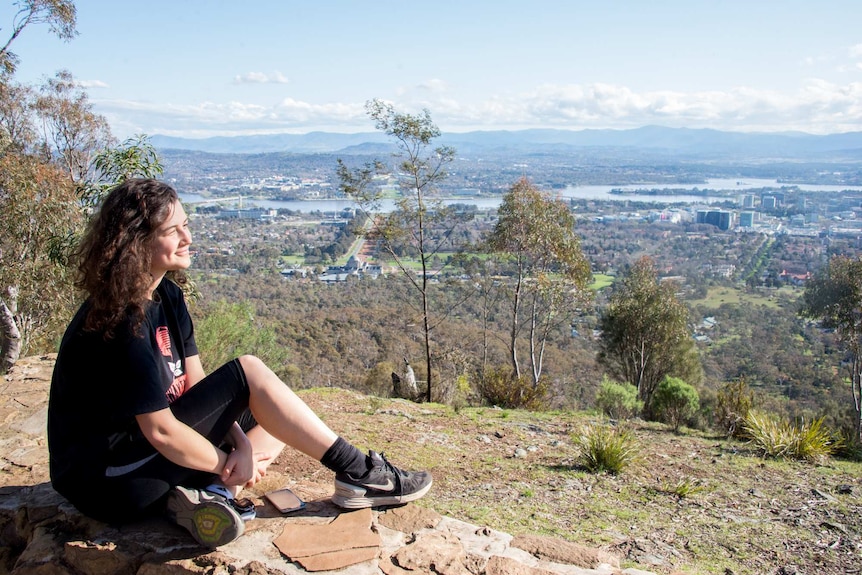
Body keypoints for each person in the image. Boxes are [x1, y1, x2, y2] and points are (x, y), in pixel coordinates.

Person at [47, 178, 432, 548]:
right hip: (108, 481)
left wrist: (241, 444)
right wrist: (226, 461)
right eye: (173, 230)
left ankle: (212, 496)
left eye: (186, 225)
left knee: (280, 413)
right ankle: (361, 474)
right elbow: (162, 432)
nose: (188, 238)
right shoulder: (119, 324)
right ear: (136, 242)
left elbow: (197, 390)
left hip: (146, 457)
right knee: (250, 372)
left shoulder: (166, 295)